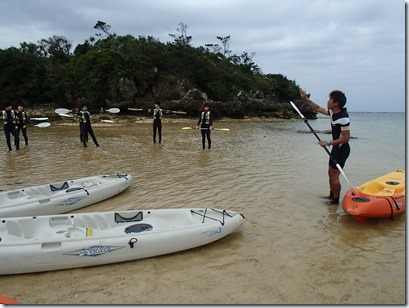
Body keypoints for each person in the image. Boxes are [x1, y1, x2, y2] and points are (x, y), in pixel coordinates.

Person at [299, 89, 350, 205]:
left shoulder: (343, 118)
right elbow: (317, 108)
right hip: (336, 148)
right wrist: (306, 99)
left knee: (335, 175)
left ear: (336, 103)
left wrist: (327, 143)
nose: (328, 102)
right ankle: (331, 195)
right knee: (330, 173)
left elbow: (346, 138)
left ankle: (335, 201)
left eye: (330, 100)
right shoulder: (333, 113)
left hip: (342, 149)